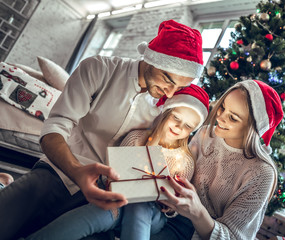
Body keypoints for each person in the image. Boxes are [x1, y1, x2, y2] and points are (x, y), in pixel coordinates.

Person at [0, 19, 204, 240]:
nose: (171, 93)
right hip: (59, 173)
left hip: (109, 199)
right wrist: (77, 171)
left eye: (180, 87)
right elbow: (54, 128)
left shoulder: (169, 109)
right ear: (152, 58)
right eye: (167, 80)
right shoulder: (98, 68)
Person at [26, 84, 209, 240]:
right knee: (99, 212)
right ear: (166, 113)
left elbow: (174, 206)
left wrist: (169, 206)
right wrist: (118, 188)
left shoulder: (184, 161)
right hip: (119, 200)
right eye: (176, 118)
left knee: (141, 203)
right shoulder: (137, 139)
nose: (179, 127)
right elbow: (114, 174)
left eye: (188, 126)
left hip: (152, 215)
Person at [152, 80, 283, 240]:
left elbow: (233, 237)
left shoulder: (261, 173)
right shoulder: (205, 134)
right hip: (170, 218)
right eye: (222, 107)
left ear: (253, 128)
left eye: (233, 118)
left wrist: (197, 212)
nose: (220, 117)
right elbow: (182, 175)